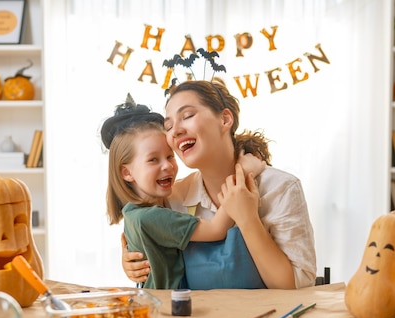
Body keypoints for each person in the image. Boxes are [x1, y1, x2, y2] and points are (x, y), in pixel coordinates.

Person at [122, 80, 317, 289]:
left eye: (187, 116)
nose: (176, 131)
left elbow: (296, 288)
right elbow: (143, 227)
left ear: (225, 120)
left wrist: (248, 218)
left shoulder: (280, 188)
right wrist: (130, 258)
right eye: (168, 127)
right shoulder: (174, 197)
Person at [101, 95, 263, 289]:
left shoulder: (133, 213)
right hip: (169, 306)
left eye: (170, 156)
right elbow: (216, 229)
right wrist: (242, 173)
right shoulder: (152, 217)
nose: (167, 166)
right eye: (153, 160)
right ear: (126, 172)